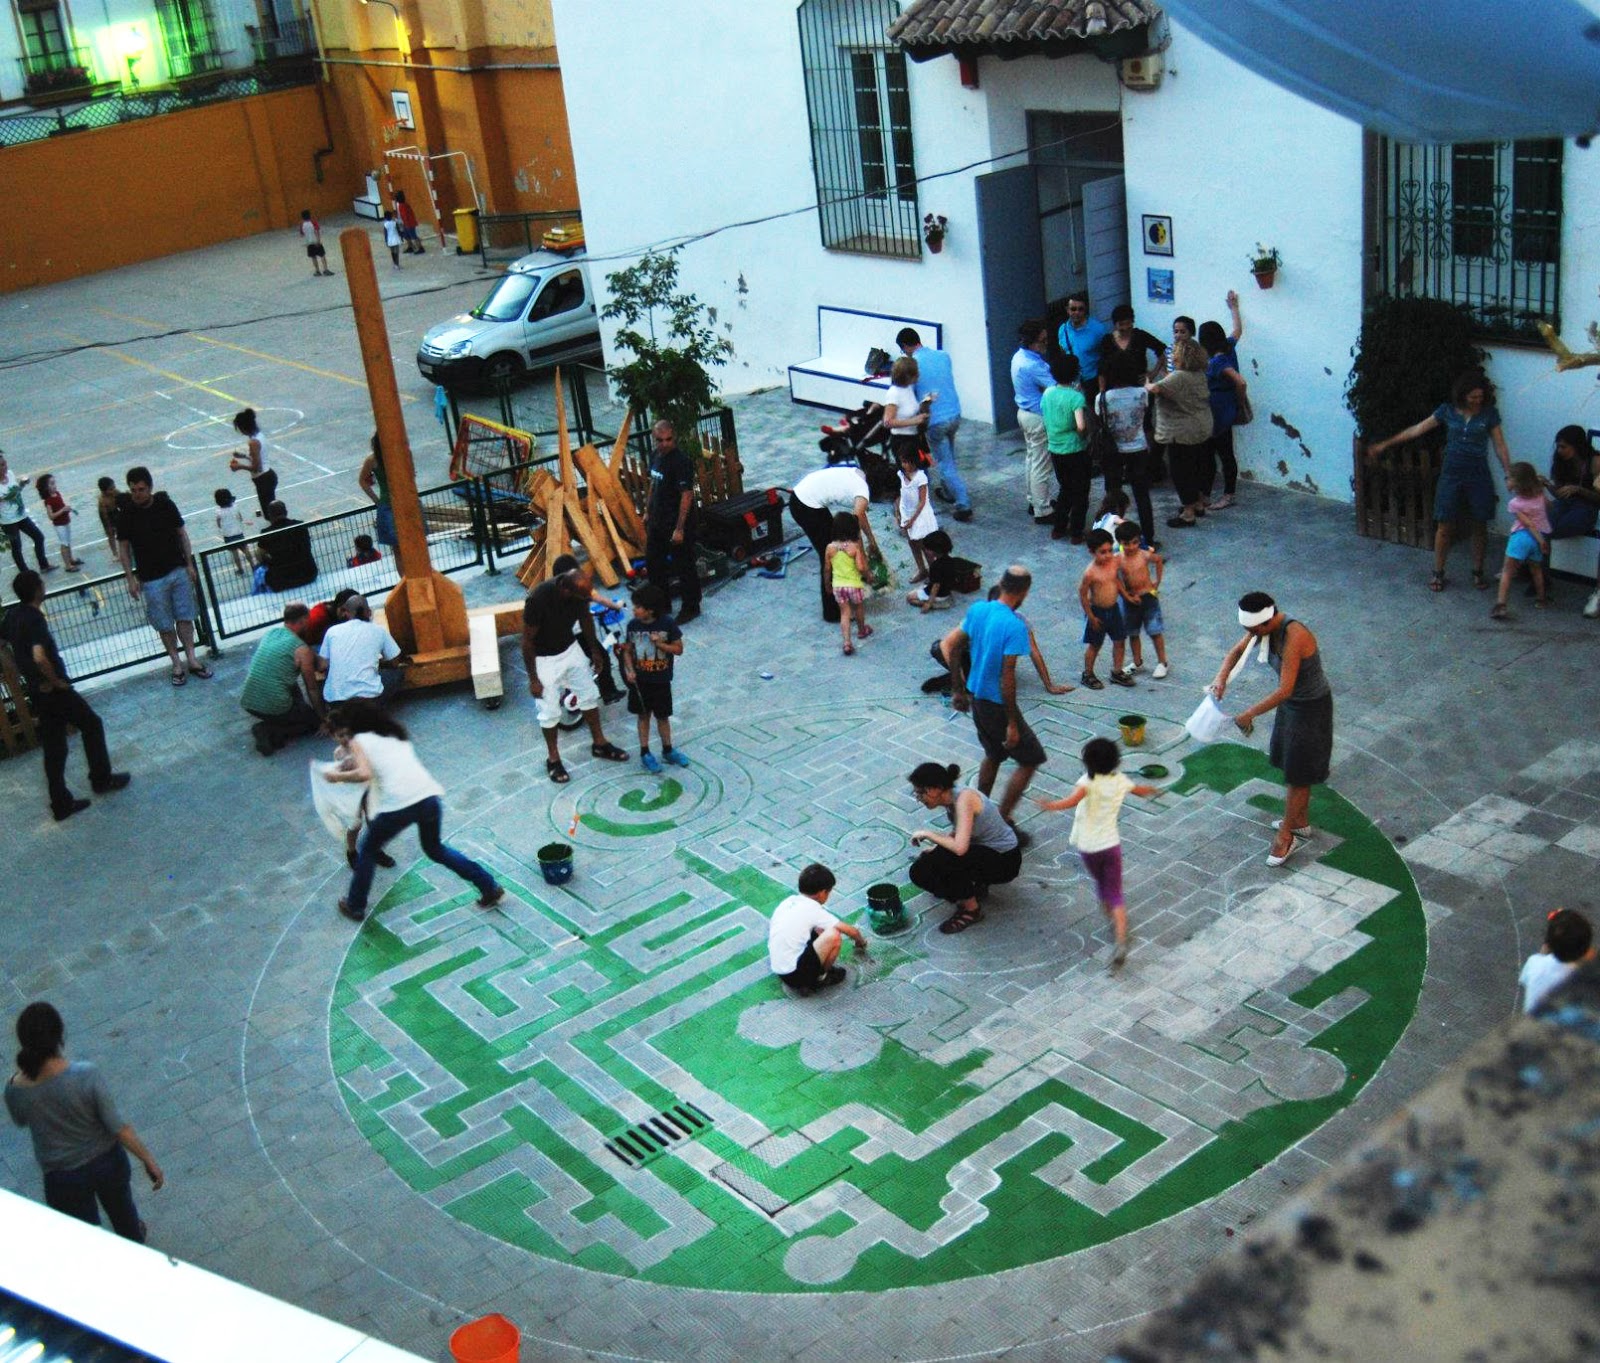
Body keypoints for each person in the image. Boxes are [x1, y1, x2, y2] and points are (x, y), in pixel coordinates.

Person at [322, 701, 504, 923]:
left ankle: (355, 905)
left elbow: (365, 773)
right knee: (436, 849)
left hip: (398, 807)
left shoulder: (360, 742)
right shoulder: (391, 733)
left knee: (367, 850)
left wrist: (337, 776)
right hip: (428, 798)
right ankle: (488, 886)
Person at [5, 1002, 163, 1241]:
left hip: (62, 1178)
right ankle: (134, 1245)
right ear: (59, 1035)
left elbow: (20, 1120)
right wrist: (147, 1159)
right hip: (107, 1163)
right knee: (124, 1216)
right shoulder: (85, 1074)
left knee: (85, 1238)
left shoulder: (15, 1090)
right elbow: (117, 1127)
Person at [1211, 592, 1334, 867]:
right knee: (1290, 763)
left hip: (1311, 708)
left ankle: (1285, 836)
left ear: (1267, 623)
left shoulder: (1294, 635)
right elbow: (1235, 652)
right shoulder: (1263, 628)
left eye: (1254, 631)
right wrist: (1221, 679)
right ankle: (1299, 821)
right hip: (1291, 706)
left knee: (1299, 774)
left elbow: (1285, 689)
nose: (1251, 635)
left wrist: (1250, 713)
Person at [1367, 367, 1513, 592]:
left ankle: (1477, 571)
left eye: (1480, 397)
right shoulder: (1447, 411)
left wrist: (1509, 473)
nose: (1477, 401)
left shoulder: (1489, 414)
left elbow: (1499, 445)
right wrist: (1385, 444)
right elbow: (1417, 429)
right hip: (1451, 473)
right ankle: (1438, 572)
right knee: (1444, 524)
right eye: (1473, 397)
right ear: (1462, 395)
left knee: (1479, 523)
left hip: (1478, 473)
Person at [0, 570, 130, 820]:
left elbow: (3, 643)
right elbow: (40, 657)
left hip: (38, 692)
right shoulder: (35, 619)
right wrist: (56, 682)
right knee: (92, 724)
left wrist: (21, 671)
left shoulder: (13, 615)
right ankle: (101, 779)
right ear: (37, 590)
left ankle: (60, 803)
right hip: (54, 691)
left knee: (54, 746)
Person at [1036, 738, 1161, 970]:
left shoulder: (1087, 783)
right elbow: (1139, 790)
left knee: (1102, 885)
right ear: (1116, 761)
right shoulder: (1120, 780)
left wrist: (1050, 805)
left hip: (1089, 847)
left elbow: (1070, 802)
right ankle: (1121, 939)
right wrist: (1152, 790)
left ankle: (1110, 916)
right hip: (1111, 845)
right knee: (1116, 893)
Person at [943, 565, 1049, 829]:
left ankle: (977, 810)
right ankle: (1001, 817)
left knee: (993, 754)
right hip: (997, 705)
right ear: (1024, 592)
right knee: (1031, 759)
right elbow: (1007, 677)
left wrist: (958, 689)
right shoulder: (1015, 626)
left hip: (977, 699)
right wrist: (1012, 723)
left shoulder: (978, 609)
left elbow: (953, 647)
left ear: (1001, 583)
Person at [521, 562, 631, 783]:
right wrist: (533, 679)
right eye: (582, 598)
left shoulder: (579, 595)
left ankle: (599, 743)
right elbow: (527, 641)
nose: (585, 601)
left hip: (570, 649)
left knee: (589, 695)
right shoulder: (538, 599)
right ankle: (553, 759)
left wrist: (594, 651)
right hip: (544, 659)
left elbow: (586, 620)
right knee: (549, 711)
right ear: (565, 590)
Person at [114, 466, 212, 686]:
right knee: (164, 623)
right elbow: (124, 549)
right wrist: (130, 578)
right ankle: (176, 662)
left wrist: (189, 564)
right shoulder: (126, 515)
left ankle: (191, 658)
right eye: (133, 490)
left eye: (141, 489)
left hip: (177, 570)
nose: (137, 494)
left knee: (185, 616)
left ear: (150, 488)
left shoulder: (166, 505)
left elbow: (182, 534)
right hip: (151, 579)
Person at [907, 761, 1023, 935]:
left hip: (1005, 860)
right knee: (923, 867)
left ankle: (971, 909)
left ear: (937, 788)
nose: (919, 798)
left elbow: (960, 849)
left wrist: (928, 834)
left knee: (945, 860)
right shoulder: (952, 799)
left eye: (921, 792)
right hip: (984, 851)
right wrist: (936, 849)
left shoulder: (964, 799)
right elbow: (961, 831)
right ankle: (971, 888)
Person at [788, 458, 887, 623]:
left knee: (838, 548)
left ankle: (845, 591)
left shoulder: (860, 474)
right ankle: (832, 613)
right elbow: (856, 529)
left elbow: (860, 517)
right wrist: (862, 559)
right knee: (830, 555)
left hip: (806, 498)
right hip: (805, 506)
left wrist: (872, 541)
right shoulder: (863, 493)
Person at [897, 327, 970, 521]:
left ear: (905, 346)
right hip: (954, 413)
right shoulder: (943, 356)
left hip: (935, 421)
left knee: (944, 462)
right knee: (949, 456)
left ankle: (963, 503)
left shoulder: (912, 366)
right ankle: (948, 491)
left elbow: (912, 397)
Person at [767, 863, 867, 995]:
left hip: (780, 968)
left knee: (820, 929)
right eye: (829, 892)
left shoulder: (788, 902)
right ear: (822, 893)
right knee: (833, 935)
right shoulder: (813, 909)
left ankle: (810, 973)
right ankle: (820, 978)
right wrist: (860, 942)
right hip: (794, 975)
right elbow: (851, 931)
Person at [619, 583, 688, 771]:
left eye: (638, 607)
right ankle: (645, 752)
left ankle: (668, 749)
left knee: (663, 717)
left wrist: (661, 645)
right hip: (641, 682)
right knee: (643, 716)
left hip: (661, 680)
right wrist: (629, 670)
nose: (634, 610)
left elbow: (679, 649)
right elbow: (627, 651)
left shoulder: (667, 624)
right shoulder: (633, 626)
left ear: (650, 610)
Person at [241, 601, 325, 756]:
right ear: (303, 621)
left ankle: (278, 721)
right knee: (312, 724)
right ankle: (269, 731)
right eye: (308, 621)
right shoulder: (301, 650)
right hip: (275, 704)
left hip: (249, 701)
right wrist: (322, 719)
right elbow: (312, 688)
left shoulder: (271, 633)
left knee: (287, 681)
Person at [1148, 339, 1214, 529]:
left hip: (1182, 431)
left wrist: (1146, 383)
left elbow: (1157, 388)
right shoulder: (1199, 374)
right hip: (1201, 426)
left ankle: (1188, 513)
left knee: (1181, 472)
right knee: (1196, 468)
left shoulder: (1178, 377)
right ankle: (1198, 503)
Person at [644, 420, 702, 625]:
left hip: (675, 523)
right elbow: (653, 484)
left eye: (668, 439)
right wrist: (647, 511)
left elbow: (687, 495)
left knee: (684, 566)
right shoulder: (655, 456)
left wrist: (679, 529)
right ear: (654, 439)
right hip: (657, 521)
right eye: (660, 440)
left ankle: (691, 607)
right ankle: (662, 605)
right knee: (654, 565)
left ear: (673, 437)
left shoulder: (681, 462)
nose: (665, 444)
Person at [551, 553, 625, 705]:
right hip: (578, 633)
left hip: (559, 636)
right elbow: (600, 599)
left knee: (572, 664)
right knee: (602, 657)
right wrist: (617, 605)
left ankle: (569, 691)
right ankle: (609, 692)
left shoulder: (554, 589)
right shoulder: (578, 587)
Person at [1097, 367, 1157, 548]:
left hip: (1113, 450)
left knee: (1112, 495)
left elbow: (1101, 419)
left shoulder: (1103, 398)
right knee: (1142, 495)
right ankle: (1148, 537)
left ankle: (1110, 538)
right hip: (1138, 447)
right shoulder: (1142, 393)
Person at [1198, 292, 1246, 509]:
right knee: (1220, 452)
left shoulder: (1217, 361)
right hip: (1224, 407)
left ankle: (1225, 494)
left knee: (1217, 453)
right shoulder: (1228, 346)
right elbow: (1237, 330)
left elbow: (1240, 382)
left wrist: (1240, 400)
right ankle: (1210, 494)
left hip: (1218, 410)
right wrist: (1234, 308)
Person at [317, 593, 404, 703]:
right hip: (369, 698)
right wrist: (377, 664)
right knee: (397, 674)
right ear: (369, 612)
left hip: (334, 698)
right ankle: (372, 706)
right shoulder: (379, 630)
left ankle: (343, 708)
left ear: (346, 613)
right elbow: (395, 662)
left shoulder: (332, 631)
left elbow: (323, 665)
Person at [1491, 462, 1551, 619]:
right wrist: (1541, 541)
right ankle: (1541, 599)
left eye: (1509, 478)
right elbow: (1549, 507)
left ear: (1517, 483)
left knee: (1507, 571)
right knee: (1536, 570)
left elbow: (1528, 524)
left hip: (1520, 538)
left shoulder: (1514, 504)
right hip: (1537, 540)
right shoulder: (1540, 497)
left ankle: (1501, 605)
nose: (1507, 480)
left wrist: (1540, 540)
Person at [1041, 353, 1090, 543]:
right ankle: (1077, 532)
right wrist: (1083, 437)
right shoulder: (1076, 397)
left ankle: (1059, 528)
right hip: (1075, 449)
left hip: (1055, 448)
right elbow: (1081, 426)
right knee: (1081, 492)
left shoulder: (1047, 393)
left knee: (1065, 489)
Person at [1011, 320, 1055, 523]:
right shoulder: (1033, 365)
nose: (1045, 344)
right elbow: (1055, 387)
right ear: (1031, 342)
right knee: (1041, 465)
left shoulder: (1018, 357)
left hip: (1025, 413)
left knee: (1032, 459)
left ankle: (1034, 500)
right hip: (1037, 417)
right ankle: (1043, 509)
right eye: (1042, 341)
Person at [1079, 529, 1135, 690]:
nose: (1108, 555)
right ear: (1092, 552)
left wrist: (1126, 596)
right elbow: (1083, 595)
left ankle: (1117, 672)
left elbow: (1116, 580)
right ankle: (1088, 674)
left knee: (1120, 640)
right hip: (1098, 612)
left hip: (1114, 609)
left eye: (1110, 550)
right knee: (1095, 645)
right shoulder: (1090, 573)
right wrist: (1090, 616)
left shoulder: (1113, 563)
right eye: (1102, 552)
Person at [1116, 522, 1168, 678]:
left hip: (1147, 596)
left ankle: (1162, 662)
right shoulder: (1118, 560)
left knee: (1155, 631)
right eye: (1126, 544)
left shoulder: (1143, 555)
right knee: (1133, 633)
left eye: (1135, 542)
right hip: (1130, 599)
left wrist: (1157, 581)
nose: (1131, 547)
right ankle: (1137, 662)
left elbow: (1158, 560)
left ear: (1139, 541)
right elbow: (1116, 579)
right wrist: (1126, 595)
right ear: (1120, 543)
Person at [1519, 908, 1595, 1014]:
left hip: (1533, 1021)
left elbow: (1525, 980)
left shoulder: (1534, 962)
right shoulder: (1585, 977)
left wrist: (1543, 954)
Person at [823, 511, 873, 656]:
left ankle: (846, 642)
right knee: (858, 608)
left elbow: (827, 569)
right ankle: (862, 630)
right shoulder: (854, 547)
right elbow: (861, 567)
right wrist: (868, 576)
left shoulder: (830, 548)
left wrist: (827, 584)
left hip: (838, 586)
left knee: (844, 613)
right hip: (854, 585)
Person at [0, 451, 52, 577]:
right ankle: (25, 573)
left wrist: (21, 485)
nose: (5, 466)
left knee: (38, 537)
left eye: (5, 463)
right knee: (17, 547)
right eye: (2, 465)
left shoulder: (10, 474)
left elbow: (16, 491)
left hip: (21, 515)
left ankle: (44, 565)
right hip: (8, 521)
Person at [1545, 425, 1600, 540]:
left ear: (1576, 446)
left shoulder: (1595, 461)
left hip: (1588, 506)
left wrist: (1579, 490)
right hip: (1566, 503)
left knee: (1555, 529)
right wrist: (1547, 484)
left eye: (1563, 447)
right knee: (1542, 523)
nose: (1559, 451)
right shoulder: (1560, 461)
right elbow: (1560, 495)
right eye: (1558, 447)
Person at [1096, 304, 1164, 393]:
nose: (1125, 327)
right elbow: (1102, 368)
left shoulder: (1140, 336)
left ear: (1133, 321)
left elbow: (1162, 350)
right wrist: (1102, 391)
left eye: (1128, 323)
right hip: (1114, 389)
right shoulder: (1107, 340)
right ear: (1115, 325)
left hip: (1139, 388)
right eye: (1121, 324)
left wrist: (1153, 374)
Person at [905, 529, 978, 613]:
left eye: (928, 549)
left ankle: (936, 604)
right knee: (921, 589)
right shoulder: (951, 560)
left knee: (909, 597)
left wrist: (929, 603)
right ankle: (941, 600)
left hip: (939, 594)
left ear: (936, 550)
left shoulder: (935, 566)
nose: (925, 551)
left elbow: (936, 586)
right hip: (946, 591)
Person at [895, 442, 939, 583]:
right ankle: (921, 569)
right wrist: (899, 513)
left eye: (907, 462)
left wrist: (912, 520)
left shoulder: (920, 477)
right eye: (902, 462)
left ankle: (934, 573)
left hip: (920, 516)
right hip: (907, 514)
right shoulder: (901, 475)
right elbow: (901, 495)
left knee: (925, 546)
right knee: (912, 542)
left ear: (914, 461)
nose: (904, 465)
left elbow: (922, 501)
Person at [256, 501, 319, 593]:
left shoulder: (266, 533)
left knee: (260, 571)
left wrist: (269, 562)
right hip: (308, 574)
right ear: (286, 512)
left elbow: (259, 555)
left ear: (270, 515)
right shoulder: (300, 525)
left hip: (282, 581)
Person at [882, 355, 931, 467]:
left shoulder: (908, 388)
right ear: (908, 376)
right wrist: (914, 421)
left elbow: (909, 408)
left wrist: (925, 403)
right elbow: (888, 422)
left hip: (914, 437)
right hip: (902, 441)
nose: (918, 375)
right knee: (910, 473)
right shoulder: (894, 394)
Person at [228, 409, 277, 518]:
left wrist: (239, 466)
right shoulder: (259, 436)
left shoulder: (253, 442)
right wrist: (244, 456)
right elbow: (258, 457)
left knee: (269, 514)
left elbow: (257, 467)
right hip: (267, 475)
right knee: (270, 510)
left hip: (263, 479)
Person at [1056, 291, 1110, 390]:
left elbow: (1106, 355)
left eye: (1080, 309)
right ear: (1067, 310)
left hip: (1093, 381)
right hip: (1072, 383)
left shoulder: (1098, 329)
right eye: (1073, 309)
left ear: (1085, 310)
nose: (1077, 312)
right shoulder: (1062, 330)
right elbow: (1063, 352)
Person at [35, 474, 83, 572]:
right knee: (64, 543)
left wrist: (66, 509)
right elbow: (51, 516)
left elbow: (61, 505)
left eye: (54, 483)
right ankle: (67, 565)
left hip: (65, 521)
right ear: (46, 487)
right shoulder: (48, 501)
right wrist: (62, 510)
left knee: (67, 541)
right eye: (52, 484)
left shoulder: (57, 494)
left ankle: (70, 559)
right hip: (59, 524)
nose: (54, 486)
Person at [359, 434, 398, 549]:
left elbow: (362, 480)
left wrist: (377, 501)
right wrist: (377, 501)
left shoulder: (372, 460)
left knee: (396, 546)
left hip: (387, 503)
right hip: (396, 503)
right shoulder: (398, 453)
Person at [214, 488, 252, 576]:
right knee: (245, 549)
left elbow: (219, 523)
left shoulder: (218, 511)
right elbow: (240, 518)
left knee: (235, 553)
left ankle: (240, 569)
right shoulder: (235, 507)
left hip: (228, 535)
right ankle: (253, 565)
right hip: (238, 532)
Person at [300, 209, 334, 277]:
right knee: (322, 255)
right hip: (316, 242)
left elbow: (302, 235)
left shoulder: (302, 225)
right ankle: (325, 270)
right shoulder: (313, 222)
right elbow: (317, 231)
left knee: (313, 257)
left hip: (309, 243)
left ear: (302, 217)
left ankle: (317, 271)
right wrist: (318, 240)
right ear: (309, 215)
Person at [95, 477, 120, 563]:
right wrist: (109, 527)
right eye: (111, 489)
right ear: (104, 491)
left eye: (114, 487)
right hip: (107, 515)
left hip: (115, 511)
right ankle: (115, 553)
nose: (113, 490)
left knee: (121, 530)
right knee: (110, 534)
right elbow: (105, 517)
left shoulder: (116, 492)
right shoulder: (102, 501)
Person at [394, 190, 424, 255]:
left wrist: (402, 224)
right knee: (407, 236)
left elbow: (405, 216)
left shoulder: (402, 205)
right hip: (406, 223)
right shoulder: (401, 205)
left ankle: (420, 248)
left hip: (409, 223)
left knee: (413, 236)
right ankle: (410, 247)